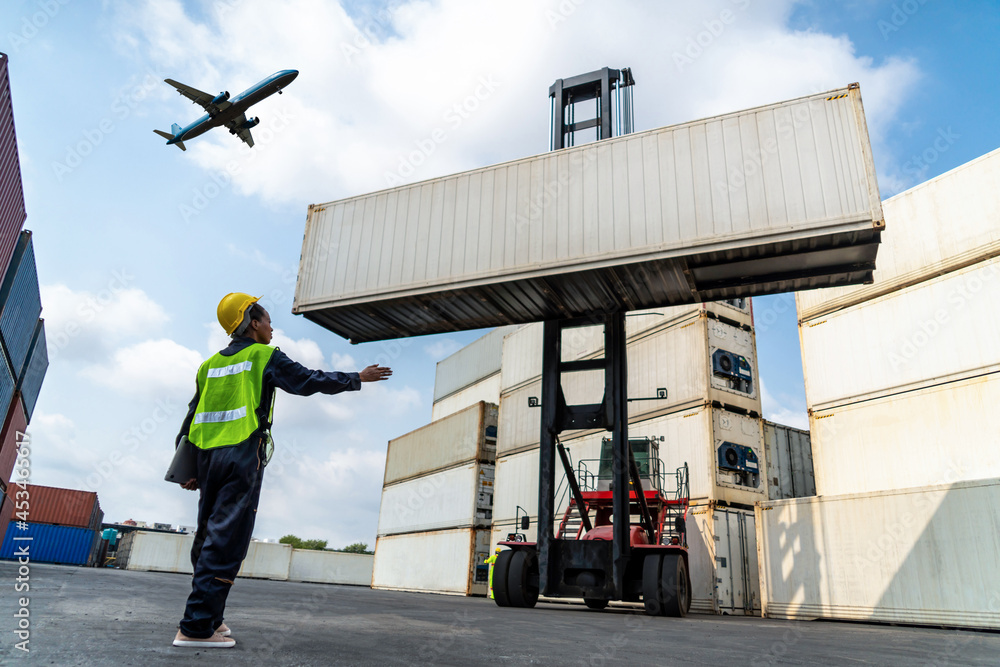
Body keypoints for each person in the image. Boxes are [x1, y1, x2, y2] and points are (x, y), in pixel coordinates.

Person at [172, 293, 392, 648]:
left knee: (207, 537)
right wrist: (357, 377)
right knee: (225, 541)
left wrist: (186, 466)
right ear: (253, 322)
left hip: (206, 460)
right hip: (240, 454)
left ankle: (211, 617)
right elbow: (308, 380)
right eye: (268, 320)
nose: (273, 327)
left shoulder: (208, 365)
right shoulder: (263, 356)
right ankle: (195, 628)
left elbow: (192, 416)